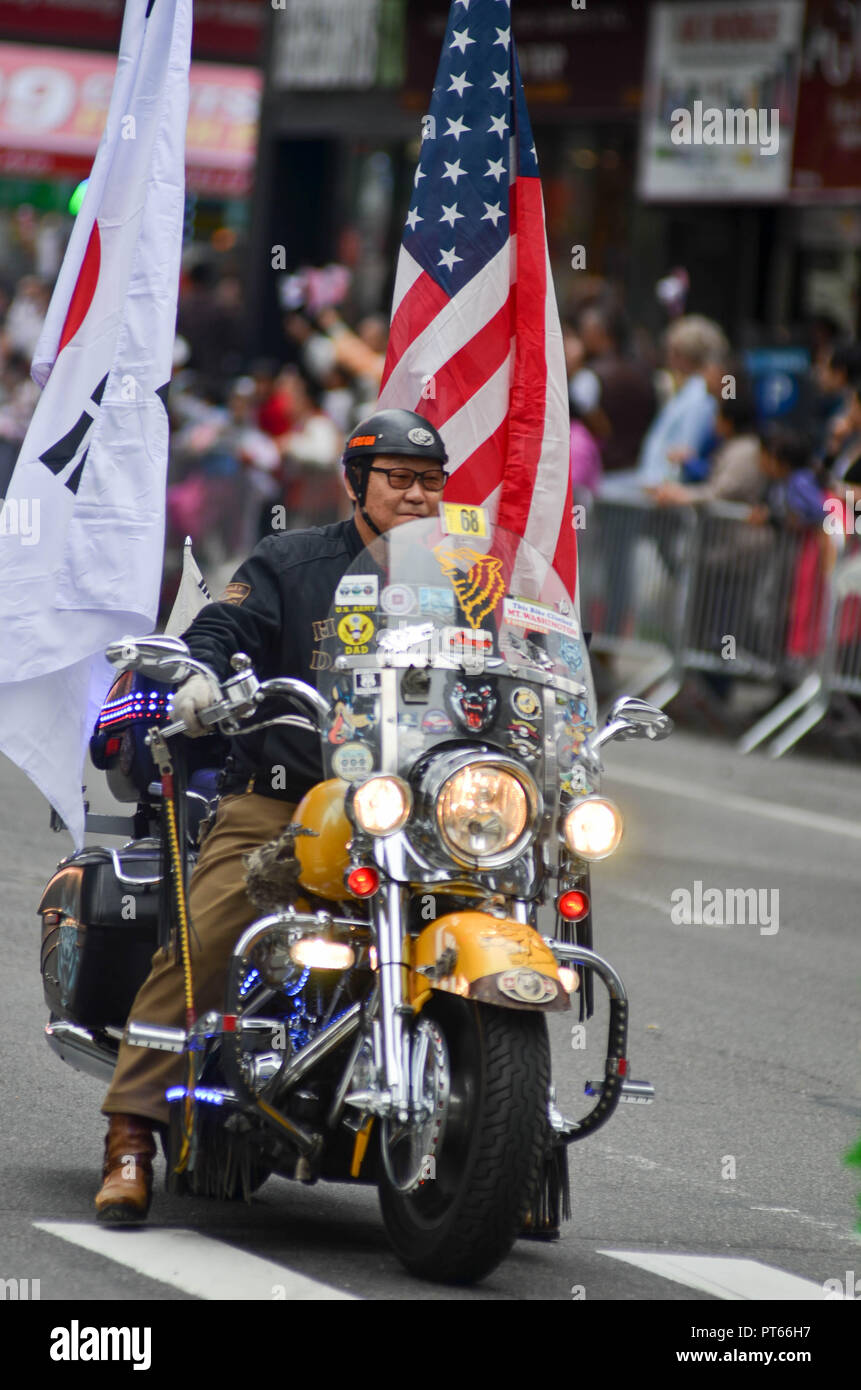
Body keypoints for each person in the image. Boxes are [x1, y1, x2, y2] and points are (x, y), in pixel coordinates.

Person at [94, 409, 449, 1223]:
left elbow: (516, 662)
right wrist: (203, 672)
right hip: (292, 801)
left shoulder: (466, 582)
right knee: (210, 932)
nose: (418, 494)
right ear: (355, 482)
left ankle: (505, 1138)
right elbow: (225, 624)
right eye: (398, 477)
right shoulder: (293, 562)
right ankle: (130, 1137)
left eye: (430, 481)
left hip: (423, 815)